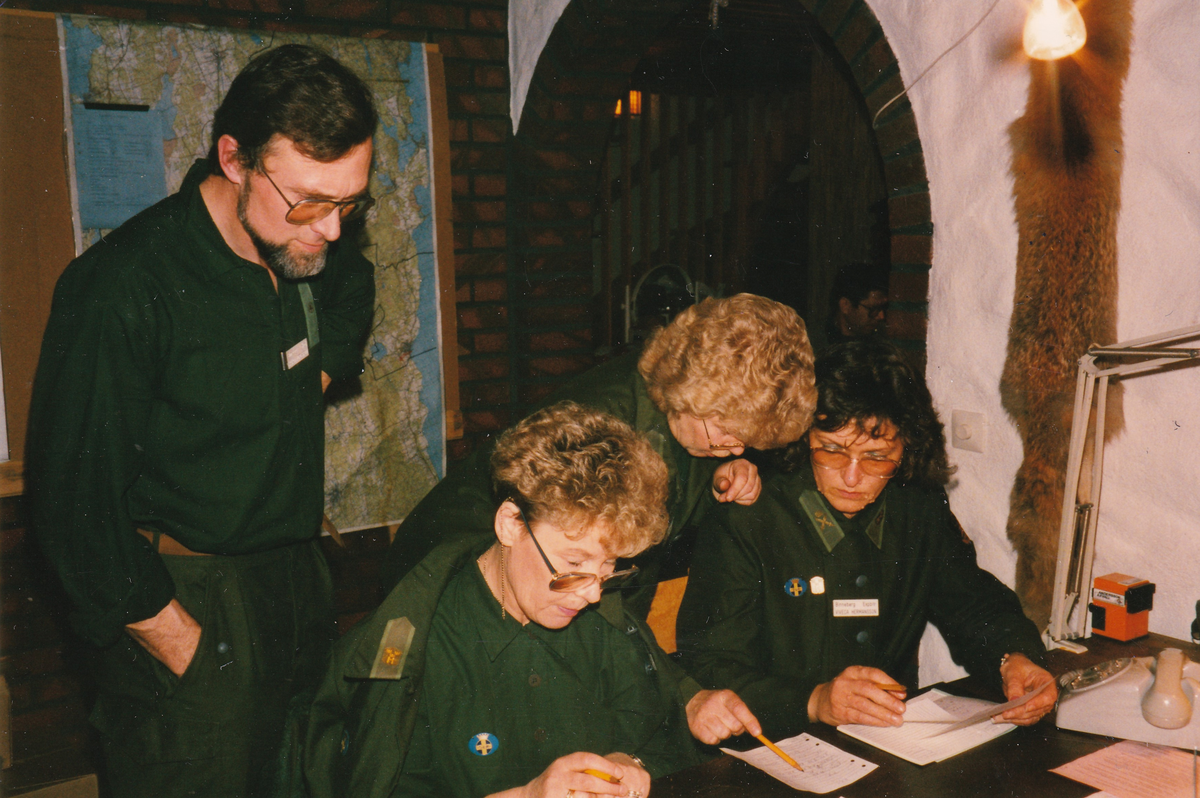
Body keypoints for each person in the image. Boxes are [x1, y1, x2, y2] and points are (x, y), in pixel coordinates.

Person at [26, 44, 378, 797]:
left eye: (350, 203)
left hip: (294, 584)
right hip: (186, 597)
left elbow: (354, 288)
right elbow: (71, 510)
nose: (333, 230)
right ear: (233, 158)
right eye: (311, 202)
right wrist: (179, 640)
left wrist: (309, 376)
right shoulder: (123, 289)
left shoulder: (309, 245)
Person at [305, 402, 756, 798]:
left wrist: (631, 768)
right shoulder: (413, 654)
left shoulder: (604, 625)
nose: (591, 594)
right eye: (574, 566)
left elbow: (665, 737)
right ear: (510, 524)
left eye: (608, 569)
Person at [676, 339, 1057, 741]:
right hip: (770, 747)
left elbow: (972, 603)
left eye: (877, 457)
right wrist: (814, 700)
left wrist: (1014, 658)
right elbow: (709, 663)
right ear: (804, 437)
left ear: (907, 448)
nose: (853, 477)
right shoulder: (750, 515)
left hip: (884, 745)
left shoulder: (917, 509)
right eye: (832, 451)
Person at [381, 294, 818, 617]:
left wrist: (724, 474)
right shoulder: (607, 428)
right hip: (452, 578)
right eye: (727, 434)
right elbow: (598, 580)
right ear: (692, 389)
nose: (732, 446)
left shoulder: (689, 418)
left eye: (746, 443)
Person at [821, 263, 889, 350]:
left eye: (883, 307)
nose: (881, 316)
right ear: (845, 305)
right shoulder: (814, 344)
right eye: (873, 309)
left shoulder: (882, 343)